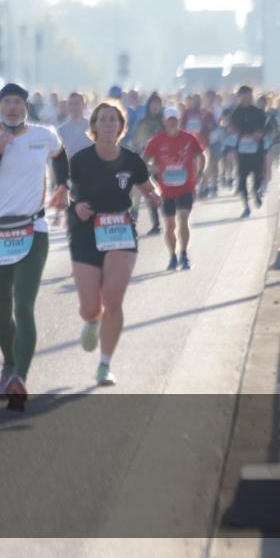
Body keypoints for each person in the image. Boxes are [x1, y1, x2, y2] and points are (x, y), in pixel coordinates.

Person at [0, 83, 68, 409]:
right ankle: (9, 362)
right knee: (0, 312)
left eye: (17, 102)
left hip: (33, 228)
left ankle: (20, 376)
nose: (12, 107)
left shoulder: (44, 135)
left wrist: (63, 185)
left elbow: (60, 155)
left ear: (25, 105)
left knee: (23, 306)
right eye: (6, 102)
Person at [69, 100, 162, 386]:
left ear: (121, 126)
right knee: (89, 307)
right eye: (102, 119)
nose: (107, 124)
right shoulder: (80, 160)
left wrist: (155, 197)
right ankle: (91, 321)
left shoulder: (132, 160)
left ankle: (105, 365)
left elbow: (148, 188)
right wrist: (77, 208)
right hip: (86, 233)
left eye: (113, 119)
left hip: (120, 231)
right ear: (94, 126)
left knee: (114, 299)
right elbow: (72, 196)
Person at [143, 106, 206, 271]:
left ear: (179, 121)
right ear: (164, 122)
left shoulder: (189, 138)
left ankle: (184, 254)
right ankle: (172, 256)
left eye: (175, 120)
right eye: (169, 120)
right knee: (170, 225)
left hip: (186, 187)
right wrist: (152, 168)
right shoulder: (156, 141)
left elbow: (201, 155)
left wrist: (200, 173)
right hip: (166, 190)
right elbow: (145, 160)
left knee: (183, 219)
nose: (172, 123)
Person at [130, 93, 166, 235]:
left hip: (165, 162)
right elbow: (136, 142)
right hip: (147, 162)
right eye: (153, 103)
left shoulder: (165, 123)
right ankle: (156, 224)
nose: (155, 106)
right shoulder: (142, 123)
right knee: (149, 191)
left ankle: (170, 218)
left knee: (167, 194)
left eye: (158, 103)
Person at [229, 85, 267, 218]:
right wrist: (238, 133)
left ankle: (256, 192)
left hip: (256, 149)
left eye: (249, 95)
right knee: (242, 178)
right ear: (239, 97)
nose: (247, 97)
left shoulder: (258, 112)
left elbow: (267, 128)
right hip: (242, 150)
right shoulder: (235, 113)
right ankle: (246, 206)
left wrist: (260, 133)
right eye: (244, 95)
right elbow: (231, 128)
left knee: (257, 175)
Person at [57, 92, 93, 160]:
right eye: (70, 104)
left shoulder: (93, 128)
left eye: (76, 104)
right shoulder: (61, 130)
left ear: (84, 105)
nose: (73, 107)